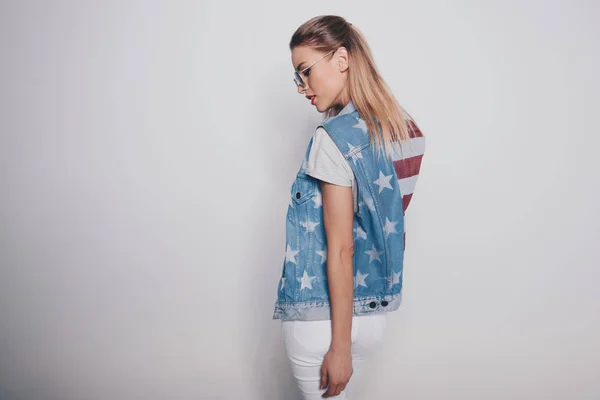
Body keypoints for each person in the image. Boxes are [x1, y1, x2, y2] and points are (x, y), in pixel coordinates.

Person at [272, 15, 425, 399]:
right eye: (297, 77)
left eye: (306, 71)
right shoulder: (402, 130)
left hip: (321, 322)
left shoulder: (332, 138)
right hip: (373, 316)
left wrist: (339, 348)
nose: (302, 87)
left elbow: (342, 249)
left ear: (341, 59)